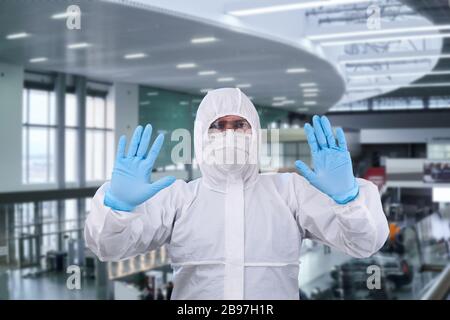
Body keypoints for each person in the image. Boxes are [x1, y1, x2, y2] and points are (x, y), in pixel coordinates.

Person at [85, 88, 389, 299]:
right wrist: (118, 207)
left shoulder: (289, 192)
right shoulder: (178, 199)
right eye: (218, 125)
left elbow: (363, 243)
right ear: (202, 135)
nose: (229, 132)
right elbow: (108, 248)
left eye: (239, 124)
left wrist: (347, 199)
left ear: (255, 133)